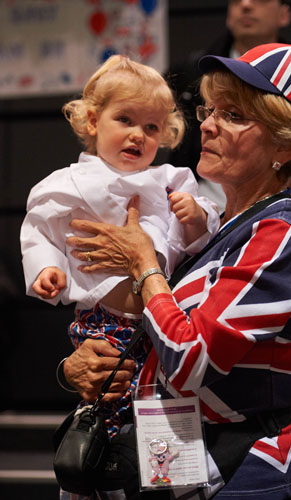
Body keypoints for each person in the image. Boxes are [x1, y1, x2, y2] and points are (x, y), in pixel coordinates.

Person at [62, 42, 291, 500]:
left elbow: (188, 360)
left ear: (287, 144)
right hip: (177, 469)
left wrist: (144, 263)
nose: (207, 124)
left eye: (234, 114)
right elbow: (145, 332)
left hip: (246, 478)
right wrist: (77, 368)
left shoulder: (280, 237)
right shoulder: (212, 225)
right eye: (210, 108)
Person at [20, 55, 220, 436]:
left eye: (151, 126)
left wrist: (195, 215)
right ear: (93, 122)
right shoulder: (70, 182)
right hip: (102, 320)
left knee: (165, 410)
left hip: (164, 320)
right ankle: (101, 477)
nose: (137, 135)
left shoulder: (170, 180)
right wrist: (47, 267)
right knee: (108, 403)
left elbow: (201, 236)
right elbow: (40, 229)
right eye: (125, 120)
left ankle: (162, 480)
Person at [166, 0, 291, 211]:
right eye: (208, 110)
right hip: (197, 212)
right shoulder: (192, 70)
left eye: (234, 115)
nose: (245, 4)